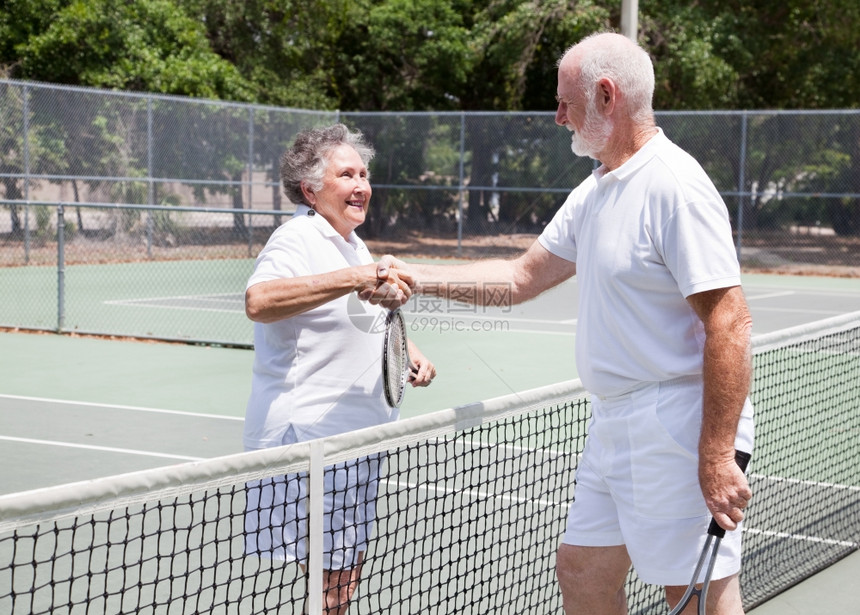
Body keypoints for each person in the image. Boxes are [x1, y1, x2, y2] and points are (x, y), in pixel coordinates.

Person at [379, 32, 754, 614]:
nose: (558, 117)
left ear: (607, 96)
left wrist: (714, 451)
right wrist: (416, 275)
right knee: (581, 567)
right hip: (612, 422)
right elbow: (519, 278)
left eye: (564, 102)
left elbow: (728, 321)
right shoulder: (597, 189)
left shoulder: (674, 187)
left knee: (694, 594)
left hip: (677, 424)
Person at [243, 123, 436, 614]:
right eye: (346, 174)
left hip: (355, 438)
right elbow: (259, 301)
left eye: (364, 174)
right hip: (310, 435)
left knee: (342, 581)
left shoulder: (352, 242)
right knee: (330, 583)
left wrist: (409, 350)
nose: (361, 186)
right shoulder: (296, 237)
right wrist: (356, 276)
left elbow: (367, 313)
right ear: (311, 189)